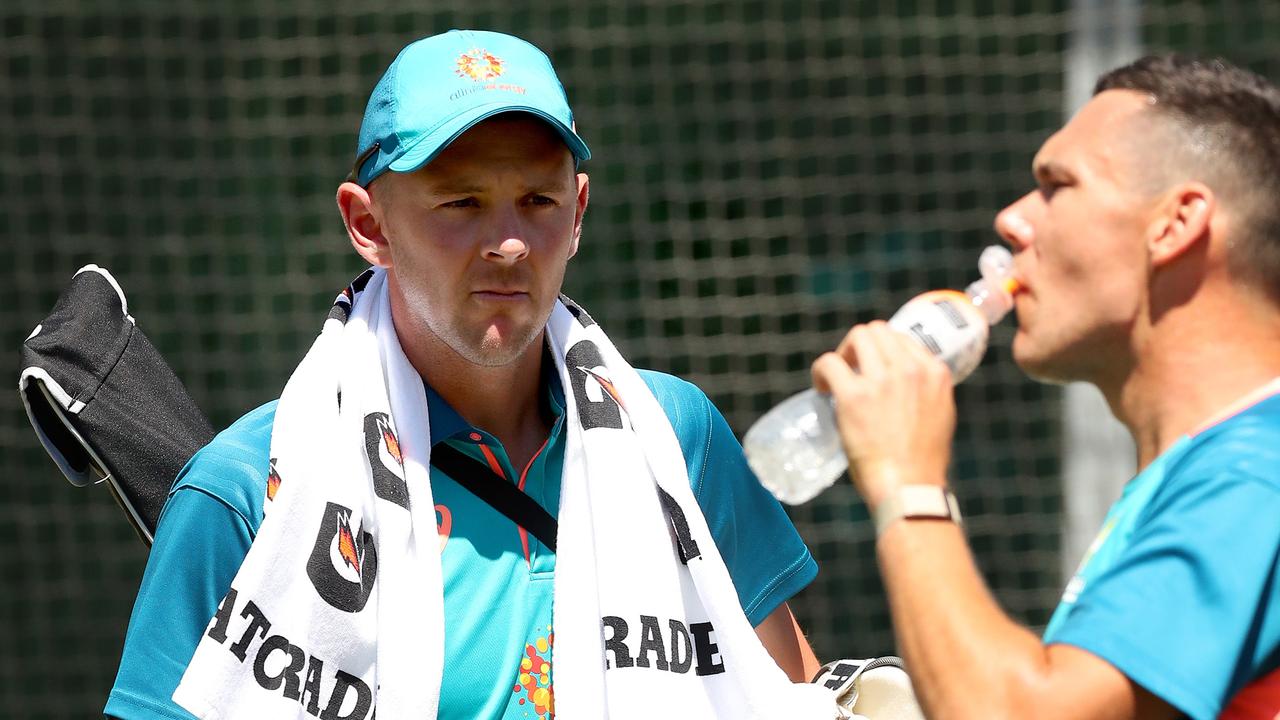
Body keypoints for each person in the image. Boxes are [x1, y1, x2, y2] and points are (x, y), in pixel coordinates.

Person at [106, 30, 830, 720]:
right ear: (369, 225)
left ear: (577, 212)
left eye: (539, 202)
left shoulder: (678, 437)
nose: (510, 243)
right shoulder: (248, 491)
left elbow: (792, 693)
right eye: (462, 203)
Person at [812, 54, 1280, 720]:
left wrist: (908, 482)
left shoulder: (1256, 471)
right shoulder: (1220, 469)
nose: (1011, 219)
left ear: (1176, 224)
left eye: (1058, 185)